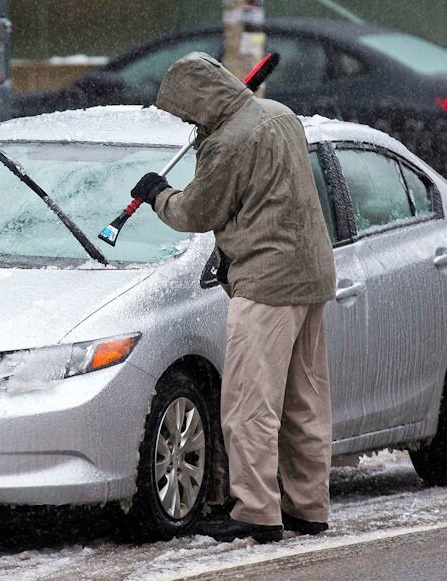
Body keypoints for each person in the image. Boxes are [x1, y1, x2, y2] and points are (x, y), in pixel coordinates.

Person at [130, 52, 336, 543]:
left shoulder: (227, 142)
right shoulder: (280, 117)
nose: (184, 121)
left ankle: (259, 512)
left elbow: (197, 211)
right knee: (304, 400)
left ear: (198, 101)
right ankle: (308, 506)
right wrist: (209, 141)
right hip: (310, 274)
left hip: (266, 282)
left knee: (249, 404)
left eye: (185, 112)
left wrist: (159, 193)